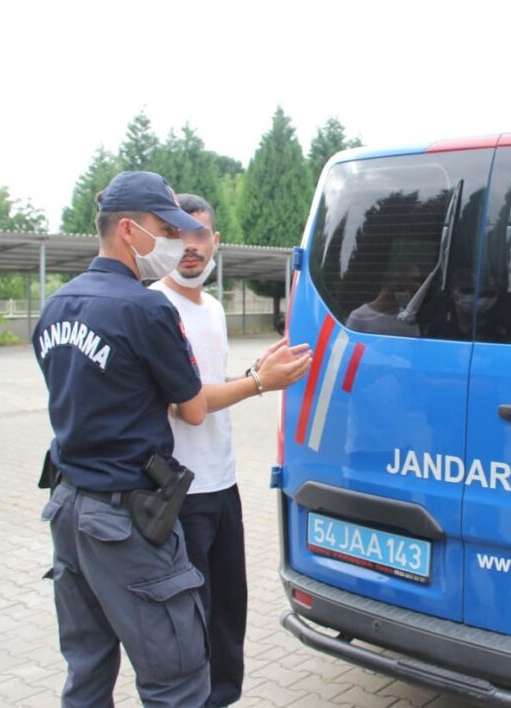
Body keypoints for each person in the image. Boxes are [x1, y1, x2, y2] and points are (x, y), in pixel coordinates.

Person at [34, 171, 212, 707]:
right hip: (125, 521)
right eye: (166, 228)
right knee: (176, 676)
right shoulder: (146, 308)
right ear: (130, 231)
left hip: (67, 508)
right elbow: (195, 409)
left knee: (87, 670)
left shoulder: (56, 305)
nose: (177, 241)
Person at [150, 194, 312, 707]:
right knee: (190, 618)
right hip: (181, 491)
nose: (189, 247)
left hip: (223, 484)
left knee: (228, 614)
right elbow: (187, 403)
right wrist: (259, 382)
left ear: (215, 241)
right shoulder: (155, 306)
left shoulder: (213, 308)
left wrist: (252, 372)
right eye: (176, 236)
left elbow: (209, 383)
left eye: (198, 235)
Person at [346, 263, 422, 336]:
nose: (418, 286)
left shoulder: (408, 320)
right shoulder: (359, 317)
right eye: (414, 280)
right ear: (396, 280)